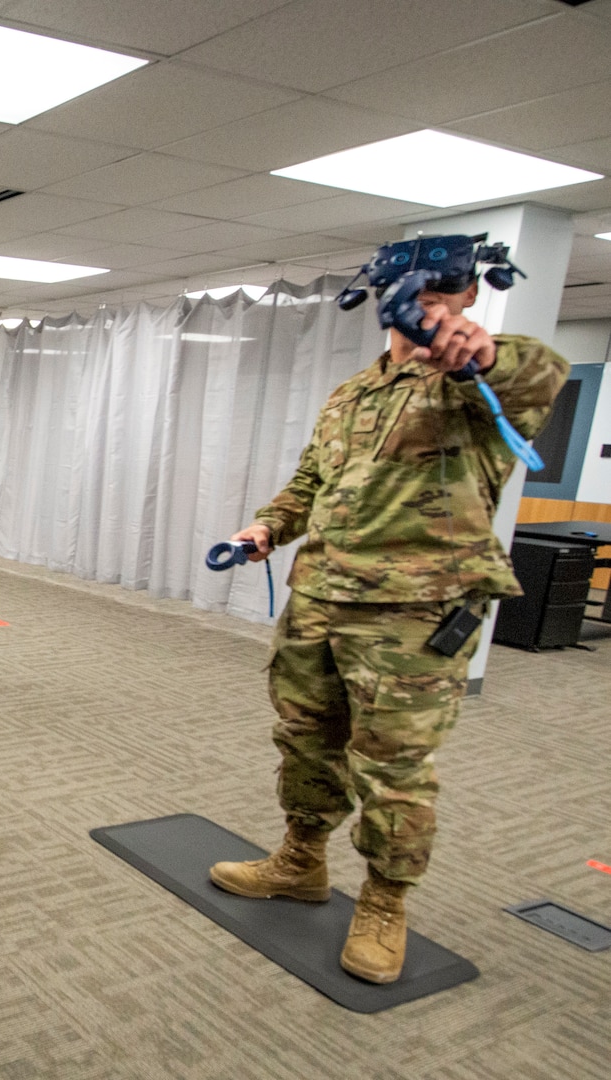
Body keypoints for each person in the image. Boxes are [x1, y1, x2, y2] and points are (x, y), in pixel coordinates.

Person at [208, 240, 568, 985]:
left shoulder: (474, 380)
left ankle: (384, 901)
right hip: (321, 600)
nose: (428, 314)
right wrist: (266, 527)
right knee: (306, 741)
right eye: (415, 299)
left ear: (469, 298)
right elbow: (310, 480)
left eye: (445, 300)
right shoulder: (350, 393)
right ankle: (301, 861)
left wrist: (476, 354)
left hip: (413, 617)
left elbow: (537, 374)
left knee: (393, 769)